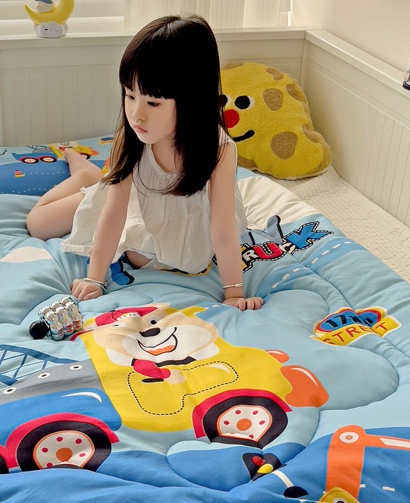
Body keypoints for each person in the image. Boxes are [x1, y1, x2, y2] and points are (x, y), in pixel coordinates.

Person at [25, 14, 263, 311]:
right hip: (133, 201)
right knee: (37, 224)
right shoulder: (130, 139)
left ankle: (94, 177)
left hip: (185, 224)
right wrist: (94, 279)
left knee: (146, 255)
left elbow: (223, 229)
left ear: (191, 100)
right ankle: (85, 175)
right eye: (129, 96)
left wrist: (233, 294)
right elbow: (113, 215)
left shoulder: (219, 150)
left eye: (152, 102)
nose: (136, 114)